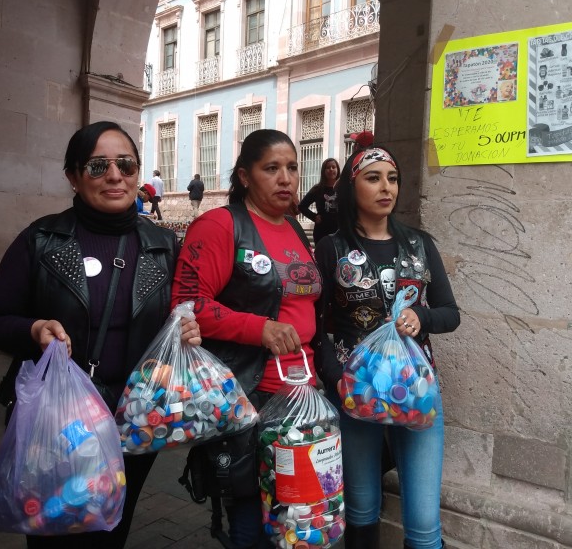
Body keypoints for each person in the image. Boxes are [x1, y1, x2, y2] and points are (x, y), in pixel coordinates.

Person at [0, 120, 201, 549]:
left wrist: (187, 329)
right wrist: (35, 329)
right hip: (58, 420)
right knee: (53, 528)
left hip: (135, 419)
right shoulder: (41, 239)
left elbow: (180, 316)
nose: (115, 176)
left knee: (110, 527)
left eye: (127, 165)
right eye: (99, 166)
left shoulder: (164, 246)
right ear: (74, 176)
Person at [171, 129, 321, 549]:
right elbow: (187, 303)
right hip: (249, 393)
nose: (286, 178)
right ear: (244, 176)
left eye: (291, 167)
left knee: (294, 513)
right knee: (250, 510)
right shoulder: (221, 224)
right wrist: (261, 328)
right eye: (271, 168)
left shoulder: (293, 226)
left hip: (301, 392)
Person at [314, 143, 460, 549]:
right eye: (373, 178)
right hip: (355, 392)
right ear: (351, 185)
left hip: (416, 391)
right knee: (361, 506)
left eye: (392, 179)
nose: (386, 188)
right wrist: (334, 377)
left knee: (424, 522)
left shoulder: (420, 244)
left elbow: (450, 313)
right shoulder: (332, 248)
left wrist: (422, 318)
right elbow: (314, 323)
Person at [298, 157, 340, 244]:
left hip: (340, 232)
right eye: (328, 167)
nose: (331, 169)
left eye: (333, 167)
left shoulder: (343, 188)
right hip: (322, 232)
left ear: (338, 169)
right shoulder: (317, 189)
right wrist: (314, 216)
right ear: (323, 171)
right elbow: (302, 206)